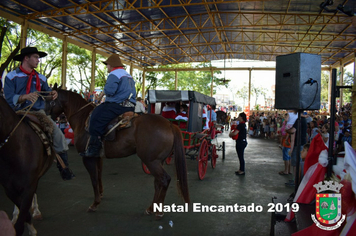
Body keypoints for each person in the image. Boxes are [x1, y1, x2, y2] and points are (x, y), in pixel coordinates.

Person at [4, 46, 74, 180]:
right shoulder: (12, 76)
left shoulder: (41, 78)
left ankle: (64, 167)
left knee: (58, 135)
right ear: (26, 58)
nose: (38, 60)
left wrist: (52, 94)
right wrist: (23, 97)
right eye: (36, 57)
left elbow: (46, 93)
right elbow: (8, 97)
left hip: (37, 112)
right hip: (15, 112)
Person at [82, 53, 136, 157]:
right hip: (130, 105)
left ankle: (94, 147)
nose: (106, 67)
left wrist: (103, 93)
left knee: (96, 115)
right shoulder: (128, 75)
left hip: (118, 105)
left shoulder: (114, 74)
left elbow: (110, 91)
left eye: (107, 65)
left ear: (111, 65)